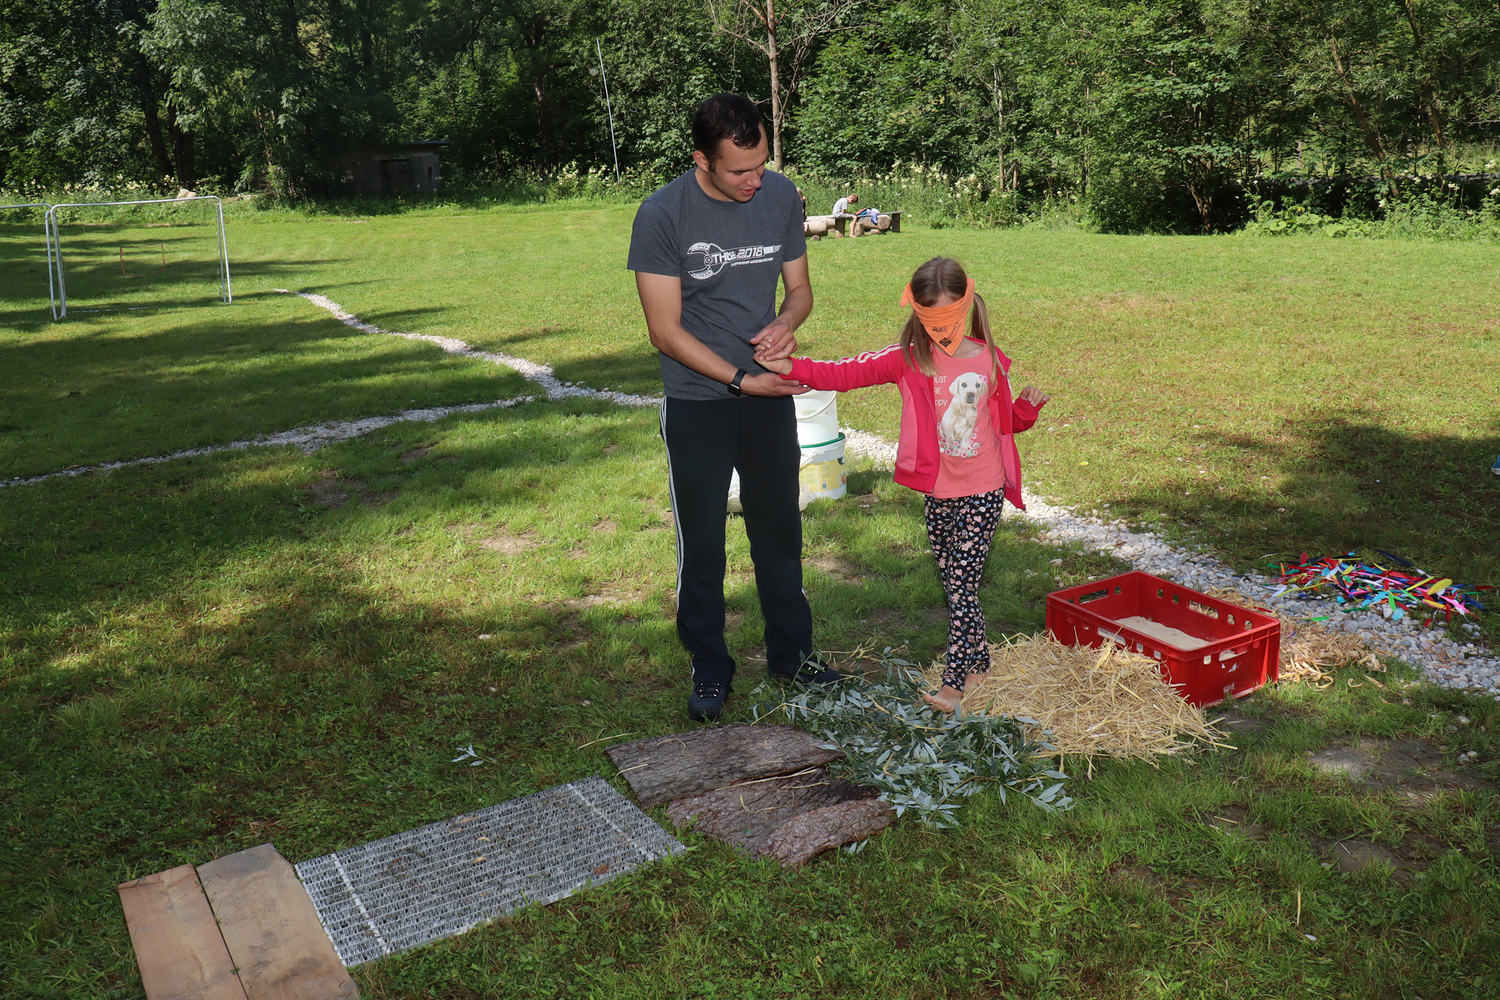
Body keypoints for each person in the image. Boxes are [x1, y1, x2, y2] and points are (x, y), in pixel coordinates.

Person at [628, 93, 843, 722]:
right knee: (702, 542)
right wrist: (741, 381)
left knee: (779, 531)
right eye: (740, 170)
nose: (756, 181)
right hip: (698, 402)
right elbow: (664, 330)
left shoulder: (778, 197)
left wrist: (785, 324)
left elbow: (799, 290)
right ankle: (710, 666)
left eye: (762, 165)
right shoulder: (662, 214)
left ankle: (792, 656)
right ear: (702, 160)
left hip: (767, 396)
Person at [756, 257, 1049, 712]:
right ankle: (980, 666)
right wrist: (791, 365)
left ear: (967, 305)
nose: (942, 329)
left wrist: (1026, 411)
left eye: (950, 317)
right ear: (917, 311)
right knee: (956, 585)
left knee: (963, 585)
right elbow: (845, 373)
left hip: (984, 489)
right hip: (938, 492)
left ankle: (954, 685)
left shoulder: (989, 359)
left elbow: (1003, 422)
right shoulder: (910, 359)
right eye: (933, 319)